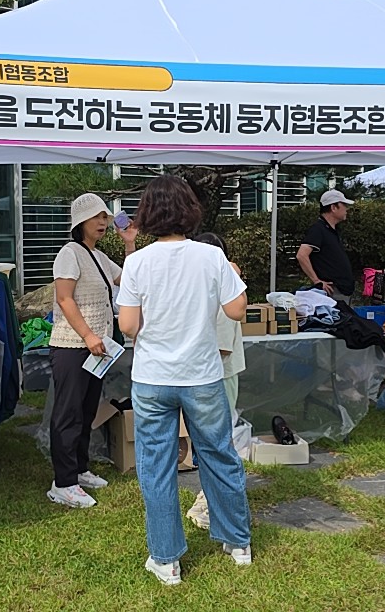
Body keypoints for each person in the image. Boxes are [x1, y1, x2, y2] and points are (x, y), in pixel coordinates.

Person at [116, 175, 251, 586]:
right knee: (218, 454)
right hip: (202, 374)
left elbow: (128, 326)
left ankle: (166, 559)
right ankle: (237, 542)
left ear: (147, 214)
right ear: (190, 210)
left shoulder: (137, 262)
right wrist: (232, 275)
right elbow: (237, 311)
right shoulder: (211, 256)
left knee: (157, 465)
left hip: (153, 376)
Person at [46, 193, 137, 509]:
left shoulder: (98, 256)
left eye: (104, 217)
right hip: (72, 346)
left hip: (97, 348)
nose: (102, 222)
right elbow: (64, 298)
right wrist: (87, 335)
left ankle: (79, 469)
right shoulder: (69, 253)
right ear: (80, 221)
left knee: (86, 411)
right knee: (68, 413)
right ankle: (63, 483)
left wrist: (129, 244)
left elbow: (128, 280)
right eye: (96, 217)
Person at [185, 232, 246, 531]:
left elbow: (220, 349)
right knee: (210, 443)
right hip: (210, 375)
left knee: (215, 444)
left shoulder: (223, 291)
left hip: (215, 376)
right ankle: (212, 499)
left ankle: (212, 504)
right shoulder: (213, 288)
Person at [297, 189, 355, 303]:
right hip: (332, 292)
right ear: (333, 207)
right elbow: (301, 255)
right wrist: (316, 281)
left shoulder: (332, 231)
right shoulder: (318, 229)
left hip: (342, 291)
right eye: (344, 205)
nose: (346, 209)